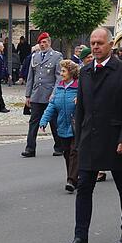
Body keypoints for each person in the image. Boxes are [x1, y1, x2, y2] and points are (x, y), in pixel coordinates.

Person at [62, 28, 122, 243]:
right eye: (93, 43)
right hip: (89, 139)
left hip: (116, 139)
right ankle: (80, 238)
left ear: (111, 44)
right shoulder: (85, 72)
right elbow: (82, 108)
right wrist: (79, 136)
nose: (95, 47)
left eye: (100, 43)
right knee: (84, 187)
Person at [40, 60, 80, 193]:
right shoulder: (59, 87)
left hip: (76, 126)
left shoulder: (79, 87)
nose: (61, 73)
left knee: (74, 152)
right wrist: (43, 121)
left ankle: (71, 180)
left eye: (63, 71)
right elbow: (51, 106)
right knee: (67, 153)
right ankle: (74, 178)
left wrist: (81, 100)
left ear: (71, 72)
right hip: (62, 125)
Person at [22, 32, 63, 157]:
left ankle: (59, 147)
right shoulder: (35, 56)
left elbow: (59, 77)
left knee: (54, 122)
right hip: (36, 94)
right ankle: (30, 148)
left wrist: (54, 93)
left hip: (50, 95)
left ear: (49, 43)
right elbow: (31, 77)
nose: (42, 44)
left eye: (45, 42)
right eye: (40, 42)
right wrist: (28, 95)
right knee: (33, 122)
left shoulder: (56, 56)